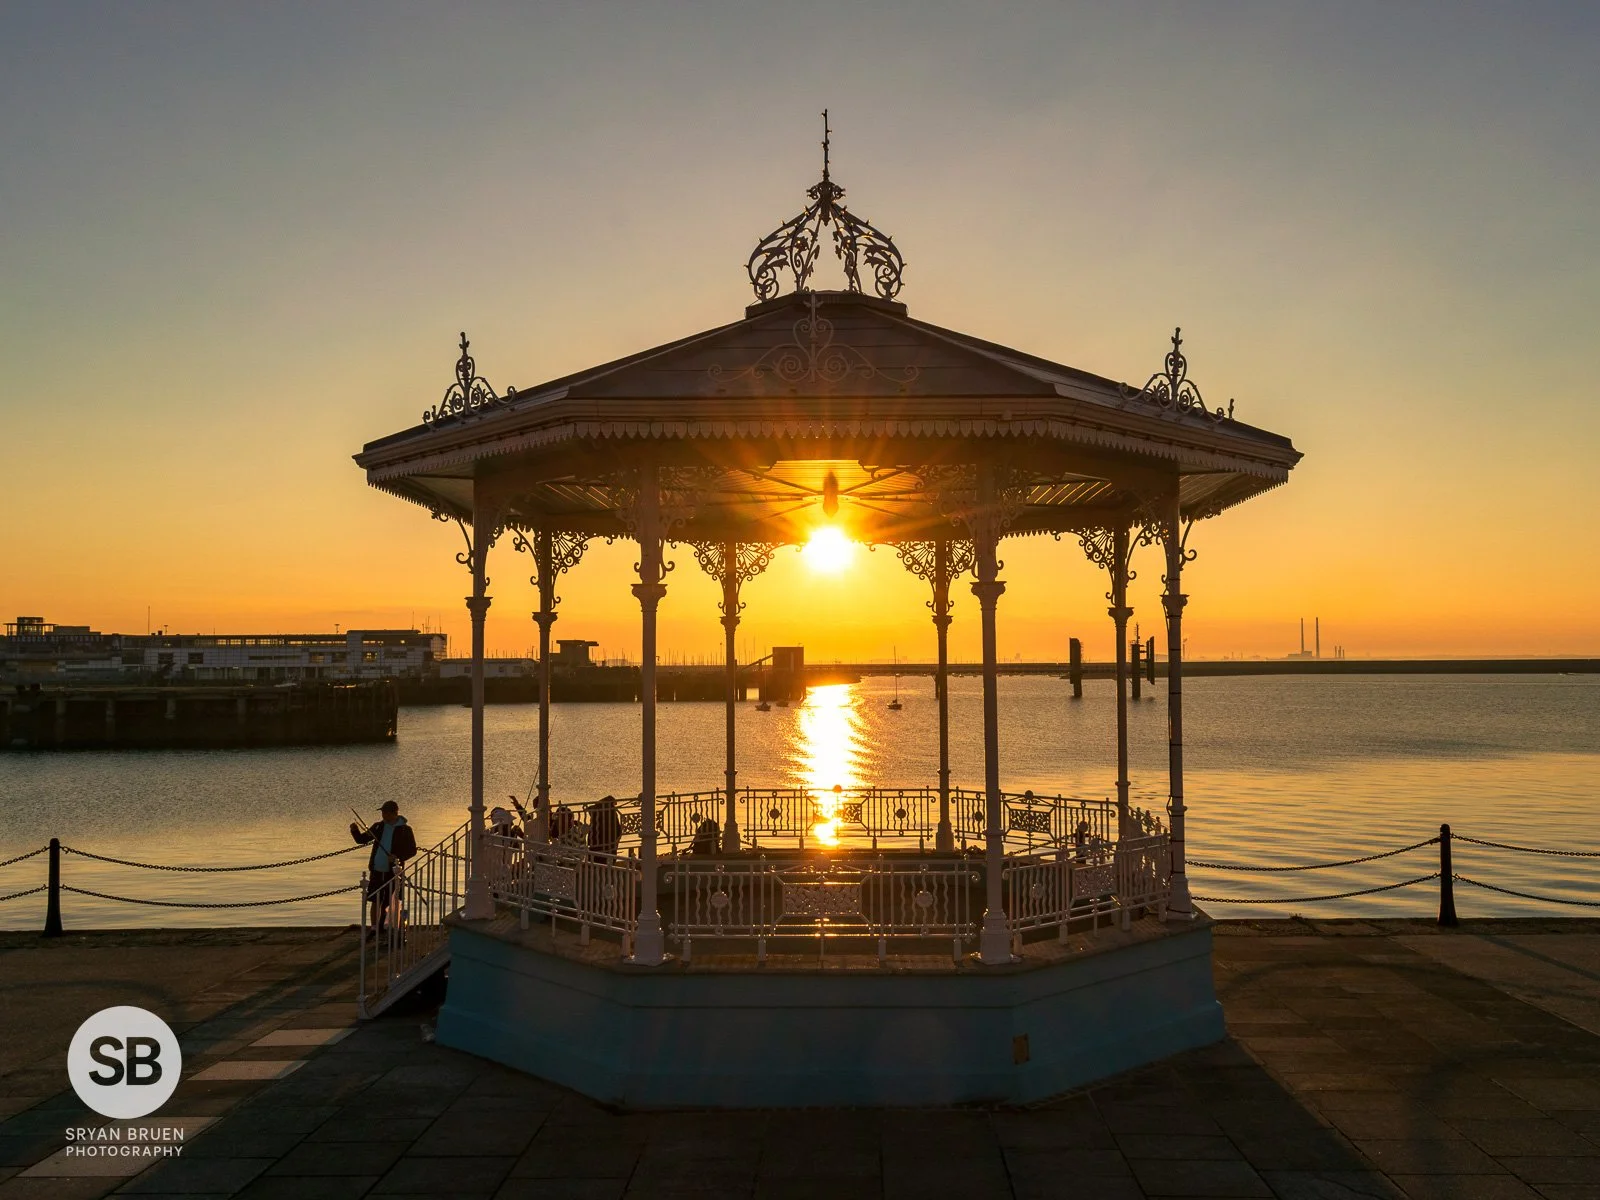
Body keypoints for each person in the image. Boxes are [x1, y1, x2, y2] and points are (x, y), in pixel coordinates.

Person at [351, 801, 417, 938]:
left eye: (385, 812)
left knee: (391, 900)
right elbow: (362, 839)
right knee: (375, 899)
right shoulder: (378, 826)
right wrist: (354, 830)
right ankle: (374, 928)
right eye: (382, 812)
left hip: (393, 871)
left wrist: (397, 856)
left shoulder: (405, 830)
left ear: (394, 813)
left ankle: (389, 927)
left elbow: (412, 850)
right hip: (376, 869)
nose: (383, 815)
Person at [588, 795, 622, 859]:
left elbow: (589, 808)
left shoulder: (595, 812)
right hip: (610, 844)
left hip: (595, 844)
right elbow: (618, 830)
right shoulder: (612, 813)